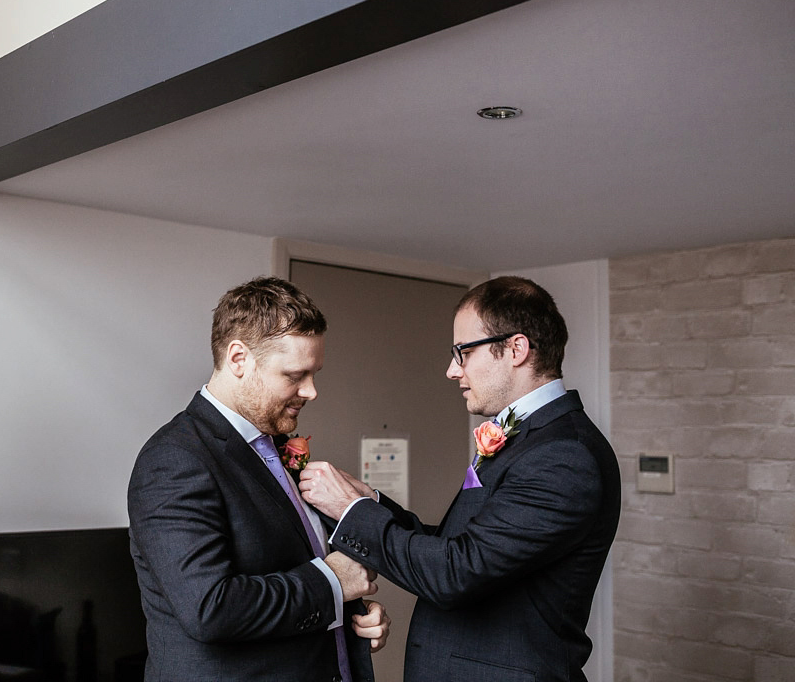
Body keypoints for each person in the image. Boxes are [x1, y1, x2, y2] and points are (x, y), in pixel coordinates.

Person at [299, 275, 620, 682]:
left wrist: (351, 511)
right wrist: (374, 503)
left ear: (516, 349)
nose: (452, 370)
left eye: (462, 352)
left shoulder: (563, 455)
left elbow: (456, 573)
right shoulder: (532, 438)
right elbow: (465, 547)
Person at [127, 276, 390, 682]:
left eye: (315, 373)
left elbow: (291, 564)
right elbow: (210, 609)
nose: (312, 391)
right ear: (238, 358)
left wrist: (350, 612)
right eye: (295, 375)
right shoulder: (174, 461)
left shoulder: (275, 445)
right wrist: (334, 584)